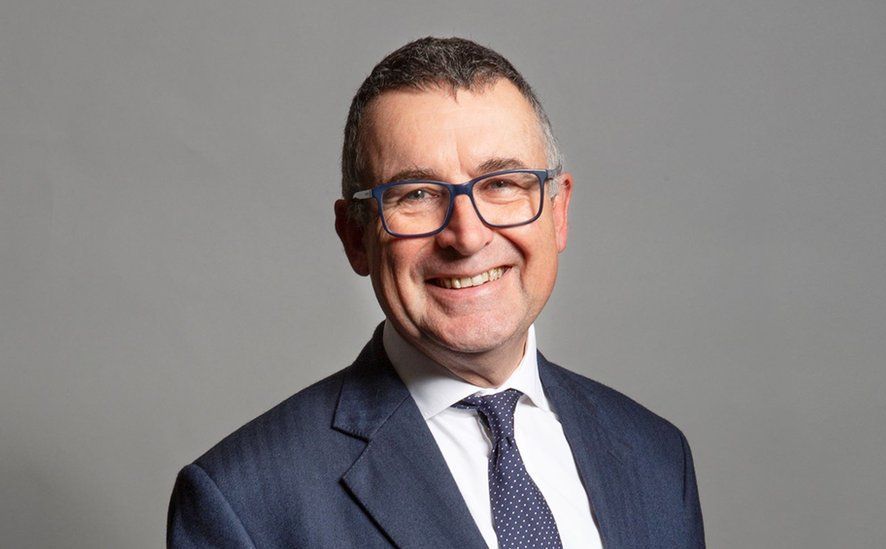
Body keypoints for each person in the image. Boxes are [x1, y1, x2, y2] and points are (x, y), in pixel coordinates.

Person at [168, 37, 705, 549]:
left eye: (501, 184)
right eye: (417, 194)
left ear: (559, 212)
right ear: (355, 236)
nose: (467, 236)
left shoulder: (655, 455)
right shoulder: (243, 504)